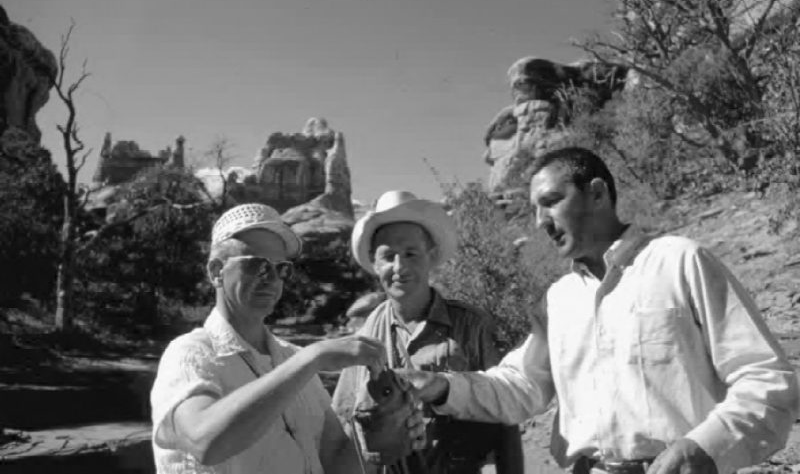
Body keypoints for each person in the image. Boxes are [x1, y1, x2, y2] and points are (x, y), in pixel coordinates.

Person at [400, 148, 800, 474]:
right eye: (535, 211)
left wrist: (705, 447)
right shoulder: (559, 299)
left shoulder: (680, 261)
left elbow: (765, 377)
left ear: (596, 193)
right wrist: (441, 387)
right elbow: (521, 387)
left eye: (551, 202)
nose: (541, 221)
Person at [150, 203, 424, 474]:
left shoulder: (293, 358)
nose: (270, 278)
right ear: (216, 271)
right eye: (256, 265)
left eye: (281, 269)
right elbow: (204, 442)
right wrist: (313, 358)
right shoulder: (189, 353)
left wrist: (382, 433)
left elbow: (336, 462)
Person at [332, 190, 523, 474]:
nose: (400, 267)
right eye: (388, 256)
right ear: (374, 262)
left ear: (431, 256)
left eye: (411, 253)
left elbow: (505, 413)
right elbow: (345, 418)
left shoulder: (472, 325)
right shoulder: (366, 335)